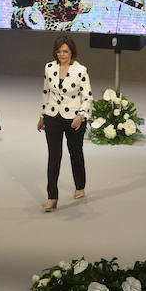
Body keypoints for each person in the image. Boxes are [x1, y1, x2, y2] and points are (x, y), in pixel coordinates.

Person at [37, 35, 92, 212]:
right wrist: (42, 116)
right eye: (59, 51)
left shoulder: (81, 70)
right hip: (52, 116)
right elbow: (46, 93)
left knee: (75, 153)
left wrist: (81, 116)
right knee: (54, 156)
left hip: (74, 119)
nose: (62, 54)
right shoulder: (49, 68)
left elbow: (87, 97)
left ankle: (80, 185)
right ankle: (52, 197)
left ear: (71, 52)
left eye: (65, 51)